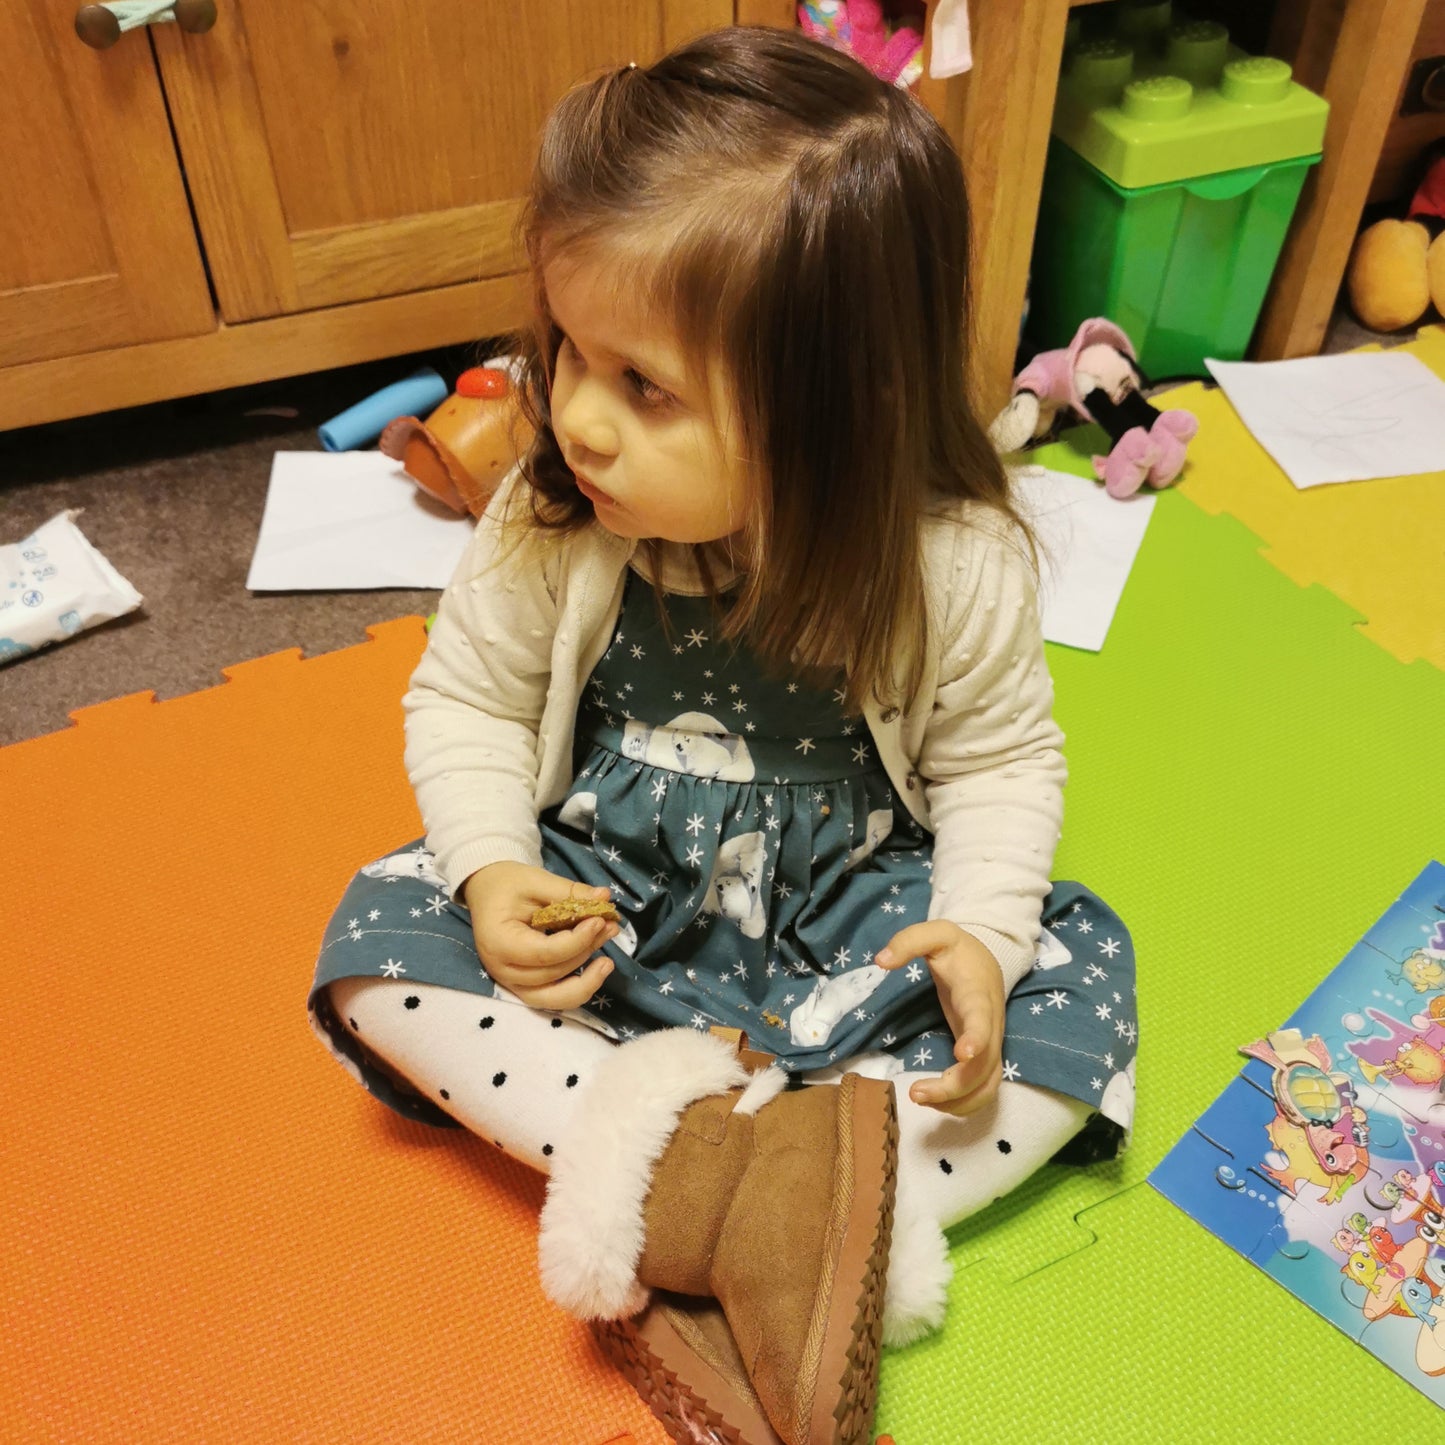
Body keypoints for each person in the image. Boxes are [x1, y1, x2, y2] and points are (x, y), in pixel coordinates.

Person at [308, 26, 1137, 1445]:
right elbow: (467, 702)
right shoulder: (547, 518)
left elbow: (999, 761)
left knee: (1077, 1000)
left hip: (849, 922)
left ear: (838, 415)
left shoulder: (949, 560)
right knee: (377, 941)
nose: (573, 418)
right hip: (607, 905)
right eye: (571, 349)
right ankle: (750, 1202)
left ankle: (779, 1201)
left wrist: (982, 940)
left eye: (646, 388)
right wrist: (492, 870)